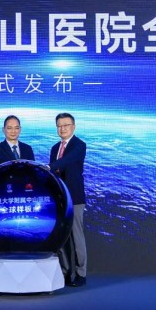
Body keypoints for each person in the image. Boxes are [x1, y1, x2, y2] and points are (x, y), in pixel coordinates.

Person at [48, 112, 88, 287]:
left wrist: (50, 167)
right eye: (59, 126)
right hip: (59, 199)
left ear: (73, 127)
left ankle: (81, 274)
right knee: (62, 238)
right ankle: (65, 273)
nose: (62, 128)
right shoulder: (54, 148)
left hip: (75, 197)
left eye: (66, 125)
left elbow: (67, 161)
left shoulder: (79, 145)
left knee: (76, 236)